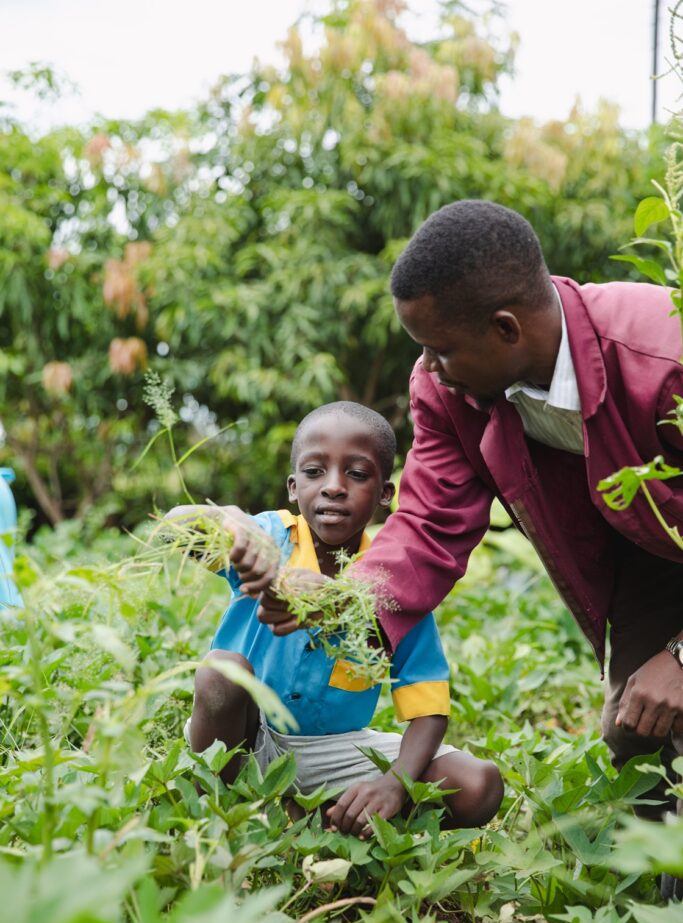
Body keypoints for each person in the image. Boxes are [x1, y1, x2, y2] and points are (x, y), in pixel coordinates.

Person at [236, 201, 683, 836]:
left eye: (440, 349)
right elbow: (427, 525)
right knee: (640, 731)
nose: (429, 366)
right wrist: (342, 605)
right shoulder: (449, 391)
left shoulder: (663, 358)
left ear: (506, 329)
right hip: (649, 555)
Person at [167, 400, 504, 837]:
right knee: (222, 672)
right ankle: (223, 811)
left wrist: (395, 784)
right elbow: (175, 528)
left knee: (480, 784)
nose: (333, 487)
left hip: (333, 752)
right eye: (314, 472)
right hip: (249, 738)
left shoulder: (394, 582)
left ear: (386, 494)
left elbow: (429, 710)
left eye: (357, 474)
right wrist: (226, 521)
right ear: (292, 486)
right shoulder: (268, 539)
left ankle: (327, 814)